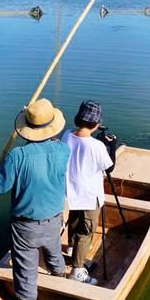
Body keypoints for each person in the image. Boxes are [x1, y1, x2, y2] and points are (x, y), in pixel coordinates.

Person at [0, 98, 70, 300]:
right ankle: (60, 275)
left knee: (25, 267)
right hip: (53, 217)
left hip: (25, 225)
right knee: (53, 249)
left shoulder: (17, 156)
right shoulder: (62, 150)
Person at [61, 100, 113, 285]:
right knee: (86, 231)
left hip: (72, 192)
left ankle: (72, 252)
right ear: (96, 123)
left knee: (74, 222)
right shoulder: (96, 146)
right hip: (90, 196)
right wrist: (112, 145)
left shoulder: (66, 134)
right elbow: (110, 167)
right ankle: (77, 270)